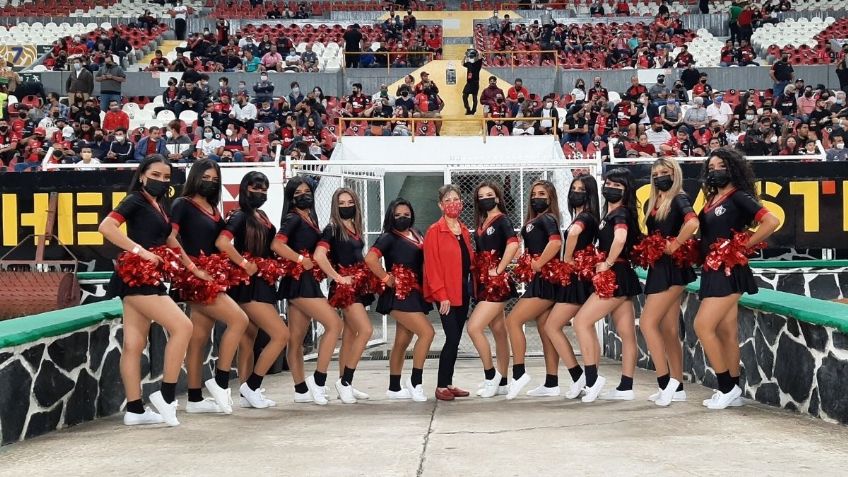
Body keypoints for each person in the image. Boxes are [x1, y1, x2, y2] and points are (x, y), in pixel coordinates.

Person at [97, 155, 193, 427]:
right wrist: (141, 252)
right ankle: (166, 394)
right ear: (142, 175)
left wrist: (191, 267)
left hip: (144, 276)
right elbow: (106, 227)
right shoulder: (135, 199)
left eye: (166, 177)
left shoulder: (159, 204)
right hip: (138, 276)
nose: (161, 180)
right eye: (156, 175)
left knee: (134, 344)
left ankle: (135, 409)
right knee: (183, 327)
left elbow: (171, 239)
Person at [696, 149, 779, 409]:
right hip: (712, 268)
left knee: (702, 325)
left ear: (733, 168)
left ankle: (725, 387)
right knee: (726, 331)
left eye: (721, 166)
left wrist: (743, 247)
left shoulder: (739, 197)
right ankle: (734, 388)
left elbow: (771, 221)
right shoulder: (713, 199)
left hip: (729, 269)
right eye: (711, 168)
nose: (715, 171)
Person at [168, 160, 249, 414]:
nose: (210, 182)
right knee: (239, 320)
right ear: (195, 177)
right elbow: (170, 237)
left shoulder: (213, 207)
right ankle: (221, 381)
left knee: (199, 338)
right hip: (197, 278)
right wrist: (191, 268)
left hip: (211, 275)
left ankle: (194, 398)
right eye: (205, 177)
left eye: (215, 179)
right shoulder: (182, 204)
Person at [215, 171, 289, 408]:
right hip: (250, 285)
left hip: (263, 282)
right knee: (281, 335)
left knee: (249, 339)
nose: (260, 193)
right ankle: (252, 385)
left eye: (264, 189)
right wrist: (244, 264)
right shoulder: (239, 216)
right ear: (244, 189)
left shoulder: (262, 215)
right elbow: (222, 243)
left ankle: (247, 391)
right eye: (255, 188)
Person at [271, 177, 343, 405]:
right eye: (298, 192)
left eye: (306, 190)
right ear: (291, 197)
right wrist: (301, 259)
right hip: (299, 281)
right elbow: (277, 245)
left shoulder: (310, 216)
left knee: (296, 339)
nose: (304, 194)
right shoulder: (292, 218)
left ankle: (300, 389)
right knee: (334, 324)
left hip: (307, 280)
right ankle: (318, 380)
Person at [573, 168, 643, 403]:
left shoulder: (619, 214)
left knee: (582, 321)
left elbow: (621, 238)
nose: (611, 188)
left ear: (626, 191)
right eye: (609, 184)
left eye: (617, 186)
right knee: (627, 333)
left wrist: (608, 262)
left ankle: (592, 380)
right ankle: (626, 385)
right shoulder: (612, 213)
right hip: (622, 275)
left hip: (613, 275)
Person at [640, 158, 699, 407]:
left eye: (664, 172)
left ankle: (666, 383)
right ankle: (678, 386)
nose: (659, 176)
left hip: (673, 268)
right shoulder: (654, 202)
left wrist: (674, 244)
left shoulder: (679, 198)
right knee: (668, 329)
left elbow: (693, 223)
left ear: (675, 174)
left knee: (647, 323)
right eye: (655, 173)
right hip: (658, 268)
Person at [364, 198, 434, 402]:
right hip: (399, 294)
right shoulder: (388, 237)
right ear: (390, 217)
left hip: (415, 292)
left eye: (406, 214)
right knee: (427, 333)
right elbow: (370, 258)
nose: (403, 218)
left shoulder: (417, 233)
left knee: (402, 341)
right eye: (398, 215)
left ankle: (394, 387)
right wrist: (386, 278)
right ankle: (415, 381)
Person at [313, 188, 374, 404]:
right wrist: (338, 277)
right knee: (366, 330)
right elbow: (319, 256)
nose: (346, 205)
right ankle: (345, 382)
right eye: (342, 202)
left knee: (350, 334)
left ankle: (344, 382)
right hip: (346, 289)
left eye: (350, 202)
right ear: (335, 206)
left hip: (358, 286)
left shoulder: (355, 227)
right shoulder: (332, 228)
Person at [543, 174, 600, 401]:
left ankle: (584, 377)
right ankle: (587, 378)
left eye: (581, 189)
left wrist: (567, 258)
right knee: (585, 328)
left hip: (578, 278)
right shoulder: (587, 216)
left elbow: (574, 233)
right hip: (580, 277)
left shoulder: (585, 216)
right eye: (574, 188)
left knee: (553, 326)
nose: (576, 192)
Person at [504, 180, 563, 399]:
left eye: (542, 194)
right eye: (534, 193)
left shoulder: (548, 218)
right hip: (538, 279)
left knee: (512, 321)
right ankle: (552, 382)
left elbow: (555, 243)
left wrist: (539, 263)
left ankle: (519, 373)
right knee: (545, 328)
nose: (536, 197)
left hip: (545, 281)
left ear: (550, 198)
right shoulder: (535, 220)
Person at [423, 185, 475, 401]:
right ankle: (440, 386)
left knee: (455, 338)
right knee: (452, 337)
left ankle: (448, 382)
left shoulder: (463, 229)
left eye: (456, 199)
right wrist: (441, 294)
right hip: (446, 294)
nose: (452, 203)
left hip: (462, 290)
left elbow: (468, 261)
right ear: (440, 205)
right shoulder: (435, 231)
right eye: (448, 200)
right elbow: (431, 266)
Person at [467, 182, 517, 398]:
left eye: (490, 194)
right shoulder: (482, 221)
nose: (485, 198)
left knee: (474, 327)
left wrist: (499, 268)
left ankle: (491, 376)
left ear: (497, 198)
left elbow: (513, 244)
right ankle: (503, 381)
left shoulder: (502, 219)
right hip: (484, 282)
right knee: (499, 332)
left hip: (496, 284)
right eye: (481, 196)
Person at [462, 49, 482, 115]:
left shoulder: (478, 64)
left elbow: (480, 56)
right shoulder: (469, 63)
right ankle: (468, 109)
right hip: (469, 83)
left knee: (474, 97)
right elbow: (462, 63)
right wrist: (464, 57)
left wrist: (477, 51)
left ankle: (473, 111)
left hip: (475, 83)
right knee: (464, 96)